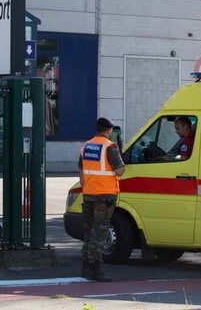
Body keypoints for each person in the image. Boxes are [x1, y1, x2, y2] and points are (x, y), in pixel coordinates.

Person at [79, 117, 125, 282]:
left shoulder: (86, 146)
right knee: (100, 232)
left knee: (89, 231)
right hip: (104, 196)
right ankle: (95, 269)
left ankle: (85, 267)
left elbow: (81, 171)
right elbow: (119, 171)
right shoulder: (110, 147)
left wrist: (86, 189)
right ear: (109, 130)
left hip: (89, 194)